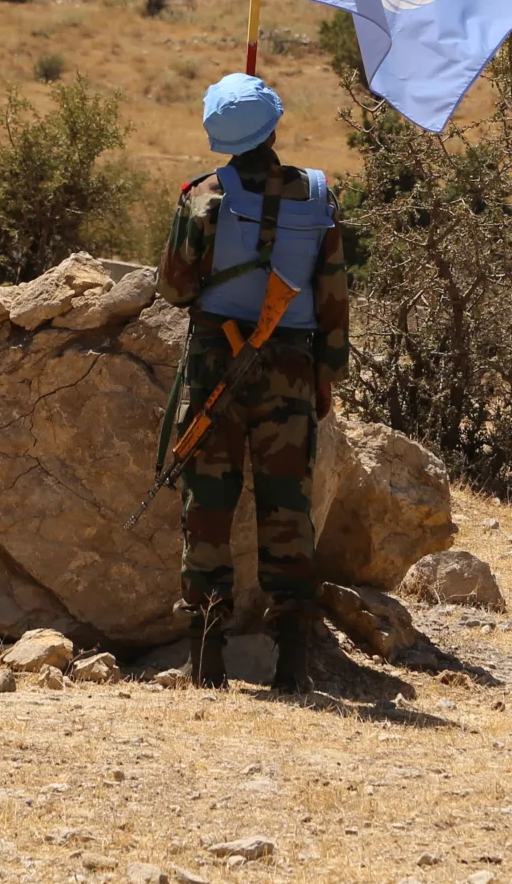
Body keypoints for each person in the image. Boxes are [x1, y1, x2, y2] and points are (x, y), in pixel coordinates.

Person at [155, 72, 349, 692]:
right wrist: (324, 378)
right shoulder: (318, 195)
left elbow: (174, 288)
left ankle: (206, 658)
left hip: (216, 364)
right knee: (287, 508)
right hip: (291, 368)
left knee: (208, 505)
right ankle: (292, 665)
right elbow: (333, 298)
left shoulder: (203, 196)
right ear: (274, 128)